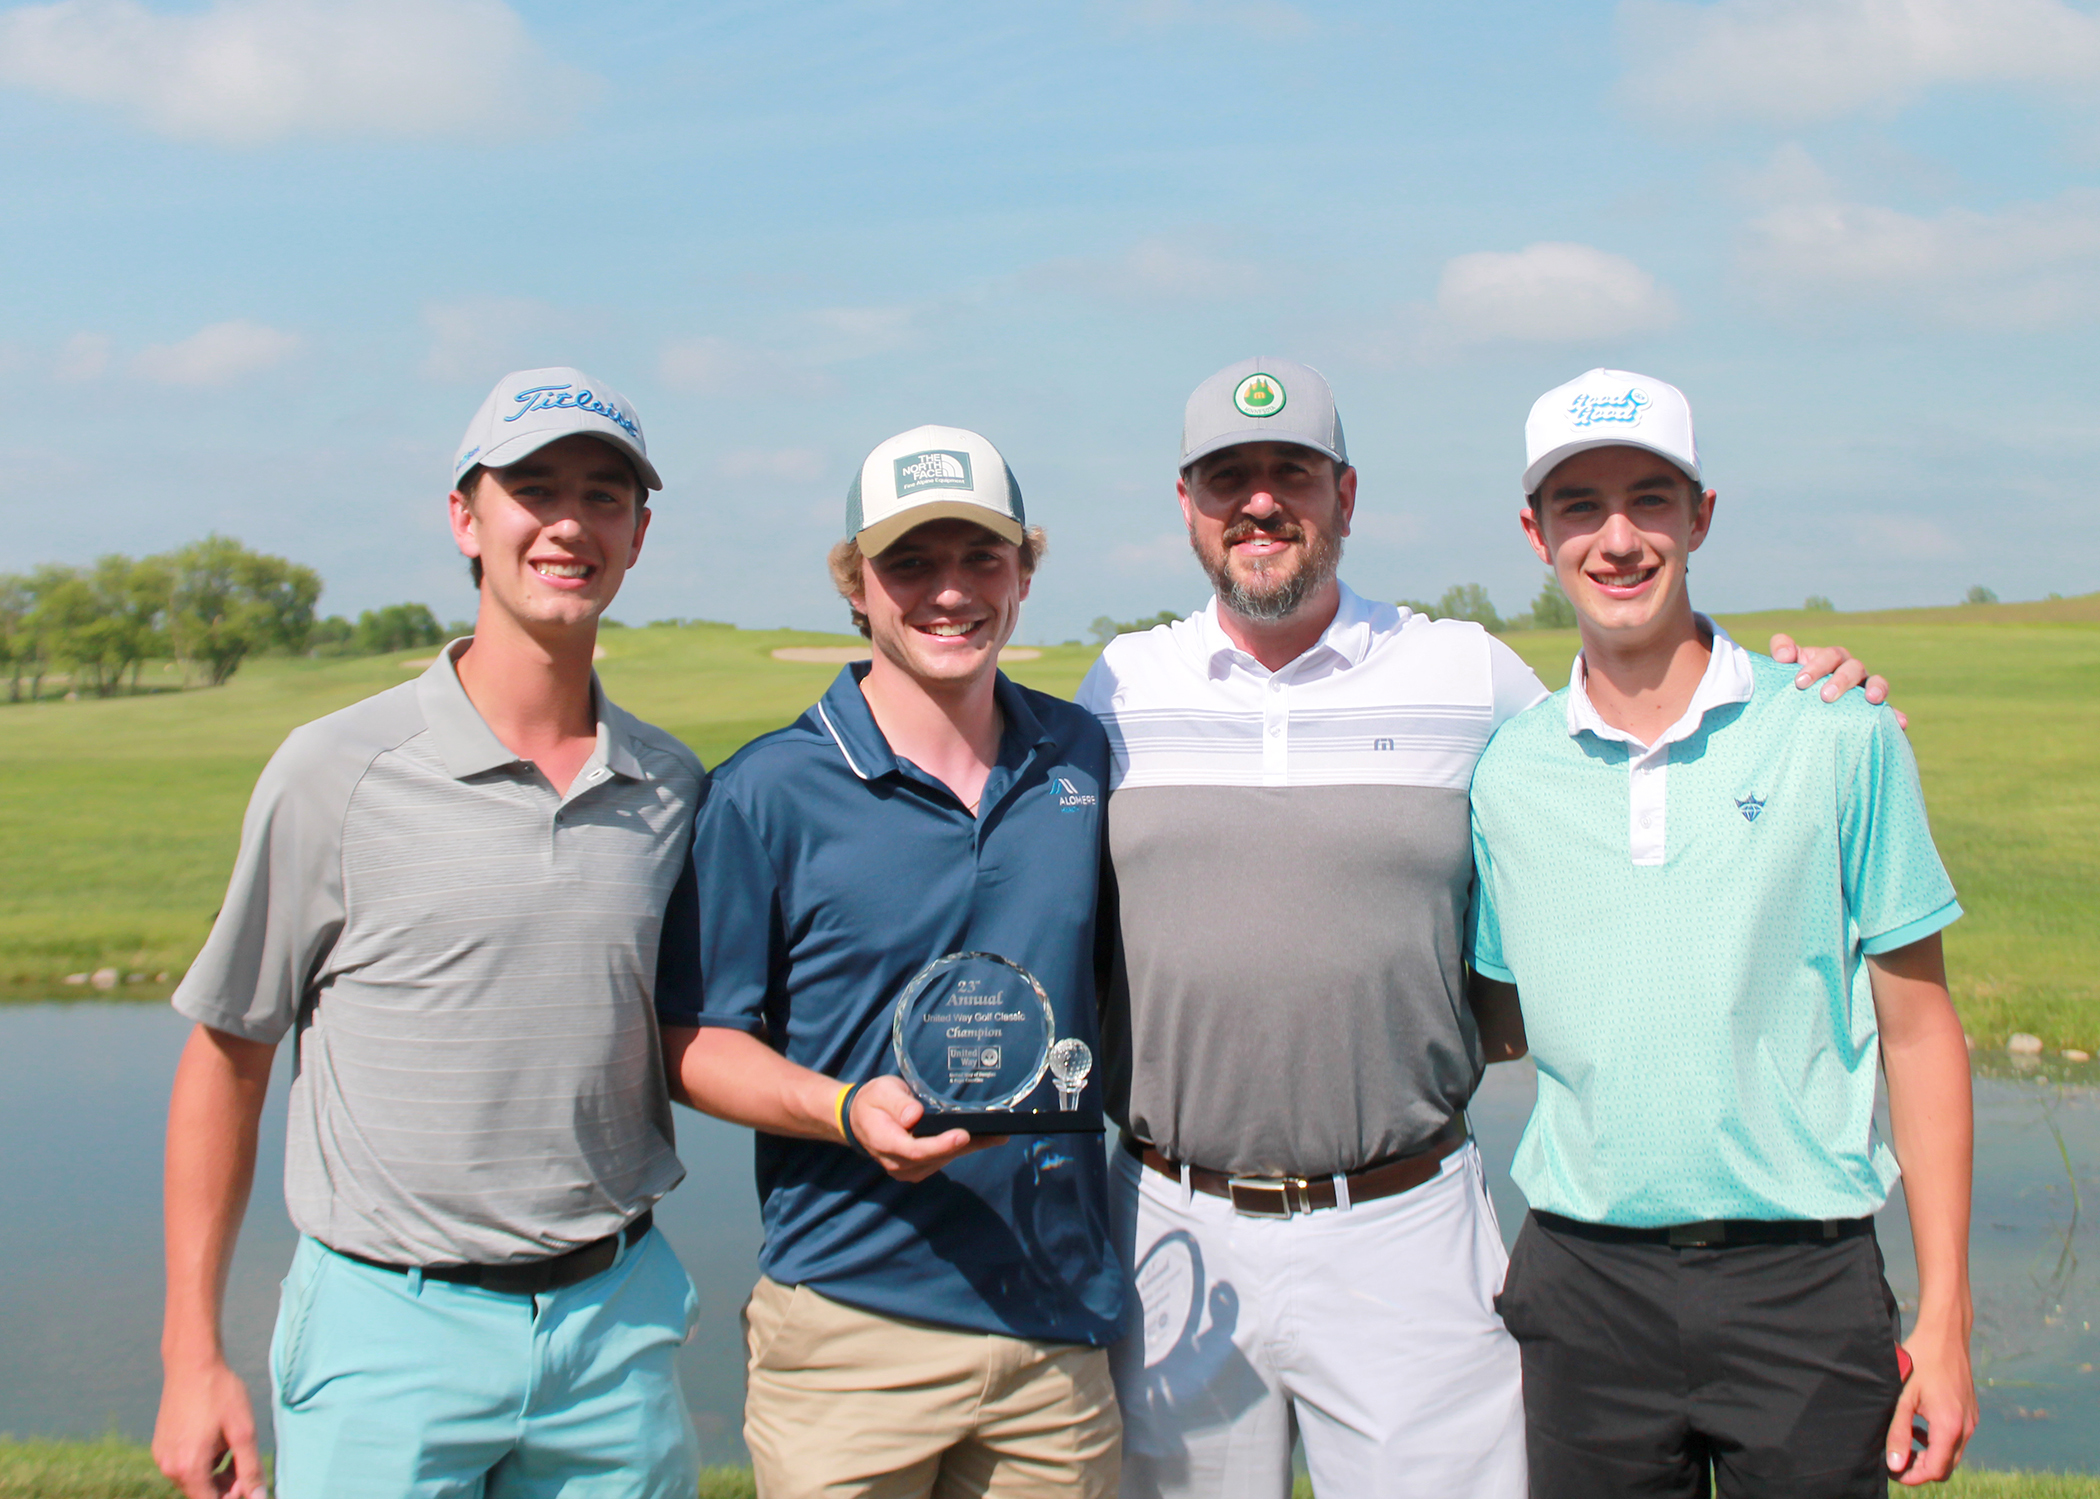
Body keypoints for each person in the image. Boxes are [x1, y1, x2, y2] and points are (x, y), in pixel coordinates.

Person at [1075, 357, 1885, 1499]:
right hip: (1172, 1215)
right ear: (1188, 505)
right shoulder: (1116, 690)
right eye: (1229, 478)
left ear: (1345, 497)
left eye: (1292, 473)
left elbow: (1635, 696)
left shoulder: (1464, 674)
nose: (1261, 501)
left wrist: (1802, 676)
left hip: (1403, 1221)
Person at [152, 368, 706, 1499]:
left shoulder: (673, 784)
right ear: (466, 515)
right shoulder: (333, 771)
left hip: (614, 1325)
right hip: (385, 1331)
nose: (568, 521)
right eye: (533, 487)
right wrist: (189, 1350)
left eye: (605, 496)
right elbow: (228, 1056)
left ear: (639, 533)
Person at [1469, 367, 1976, 1498]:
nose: (1618, 538)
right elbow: (1502, 1015)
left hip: (1802, 1287)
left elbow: (1920, 1030)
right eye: (1578, 506)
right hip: (1583, 1282)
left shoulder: (1839, 733)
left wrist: (1945, 1318)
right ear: (1535, 531)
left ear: (1701, 514)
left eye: (1651, 498)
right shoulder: (1510, 772)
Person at [659, 425, 1124, 1499]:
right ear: (855, 586)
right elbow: (693, 1041)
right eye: (910, 562)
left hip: (1057, 1325)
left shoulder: (1083, 756)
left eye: (981, 558)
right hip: (849, 1327)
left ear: (1025, 574)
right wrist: (840, 1107)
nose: (948, 591)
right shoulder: (770, 789)